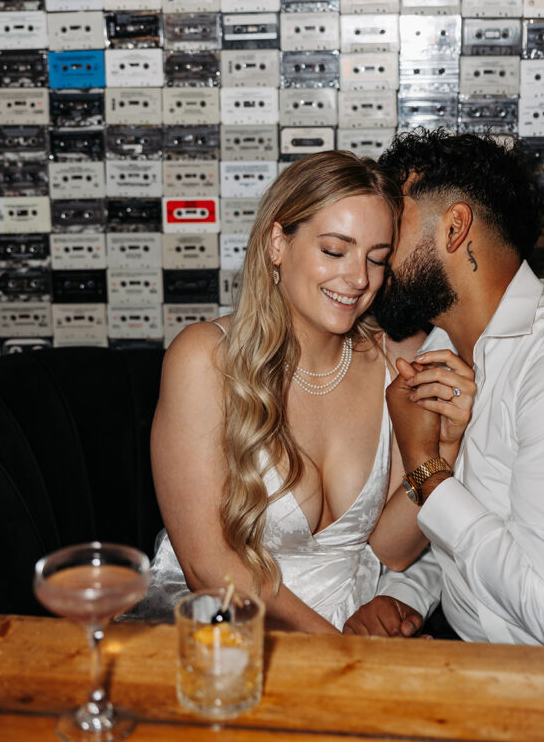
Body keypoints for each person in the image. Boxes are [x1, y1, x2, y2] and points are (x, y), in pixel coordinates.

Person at [344, 129, 544, 650]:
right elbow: (499, 530)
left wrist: (425, 464)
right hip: (475, 659)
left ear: (454, 228)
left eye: (390, 230)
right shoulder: (445, 348)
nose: (372, 263)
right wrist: (411, 593)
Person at [141, 150, 475, 632]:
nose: (359, 279)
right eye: (335, 251)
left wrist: (444, 445)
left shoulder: (397, 359)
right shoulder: (204, 359)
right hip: (227, 629)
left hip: (350, 624)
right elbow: (207, 566)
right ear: (278, 242)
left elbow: (391, 551)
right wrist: (337, 648)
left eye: (377, 259)